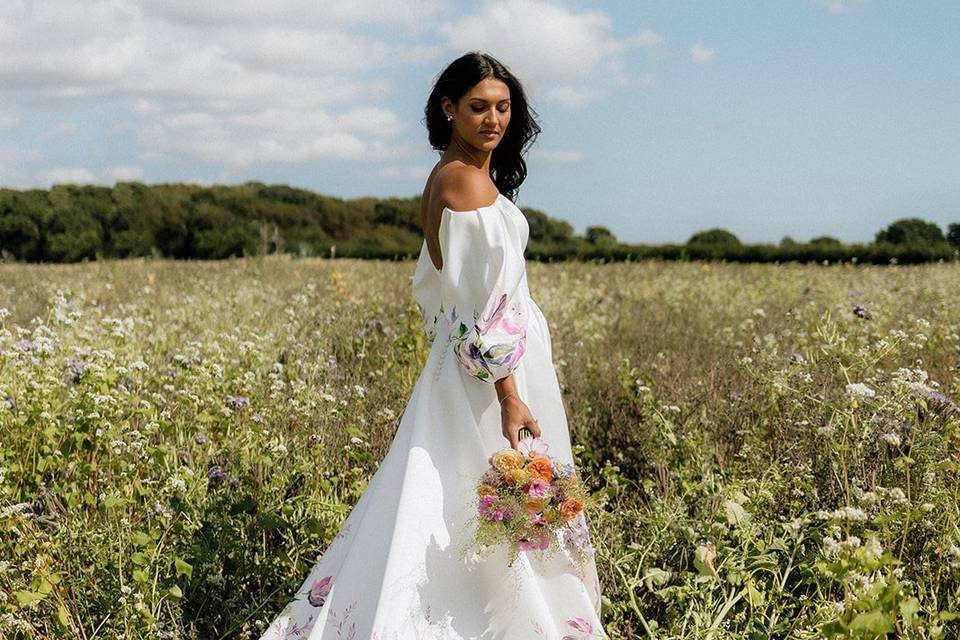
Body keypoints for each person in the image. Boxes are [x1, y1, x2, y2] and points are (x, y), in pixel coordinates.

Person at [259, 51, 606, 640]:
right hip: (495, 370)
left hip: (476, 359)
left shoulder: (456, 174)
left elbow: (439, 292)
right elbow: (480, 307)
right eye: (477, 108)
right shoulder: (463, 180)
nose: (492, 120)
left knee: (456, 493)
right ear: (449, 109)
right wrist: (509, 395)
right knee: (491, 491)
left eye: (502, 107)